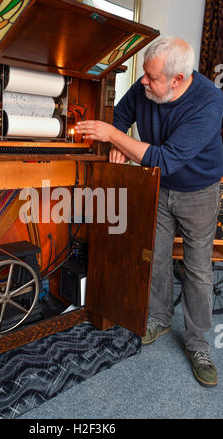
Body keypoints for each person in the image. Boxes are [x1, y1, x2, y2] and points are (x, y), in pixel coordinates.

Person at [75, 36, 223, 388]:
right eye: (144, 74)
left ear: (177, 80)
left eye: (151, 77)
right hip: (156, 185)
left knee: (198, 269)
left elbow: (165, 159)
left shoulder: (208, 102)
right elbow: (122, 114)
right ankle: (158, 318)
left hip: (198, 191)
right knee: (153, 255)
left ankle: (198, 343)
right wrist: (122, 141)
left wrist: (114, 137)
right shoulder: (147, 88)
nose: (143, 81)